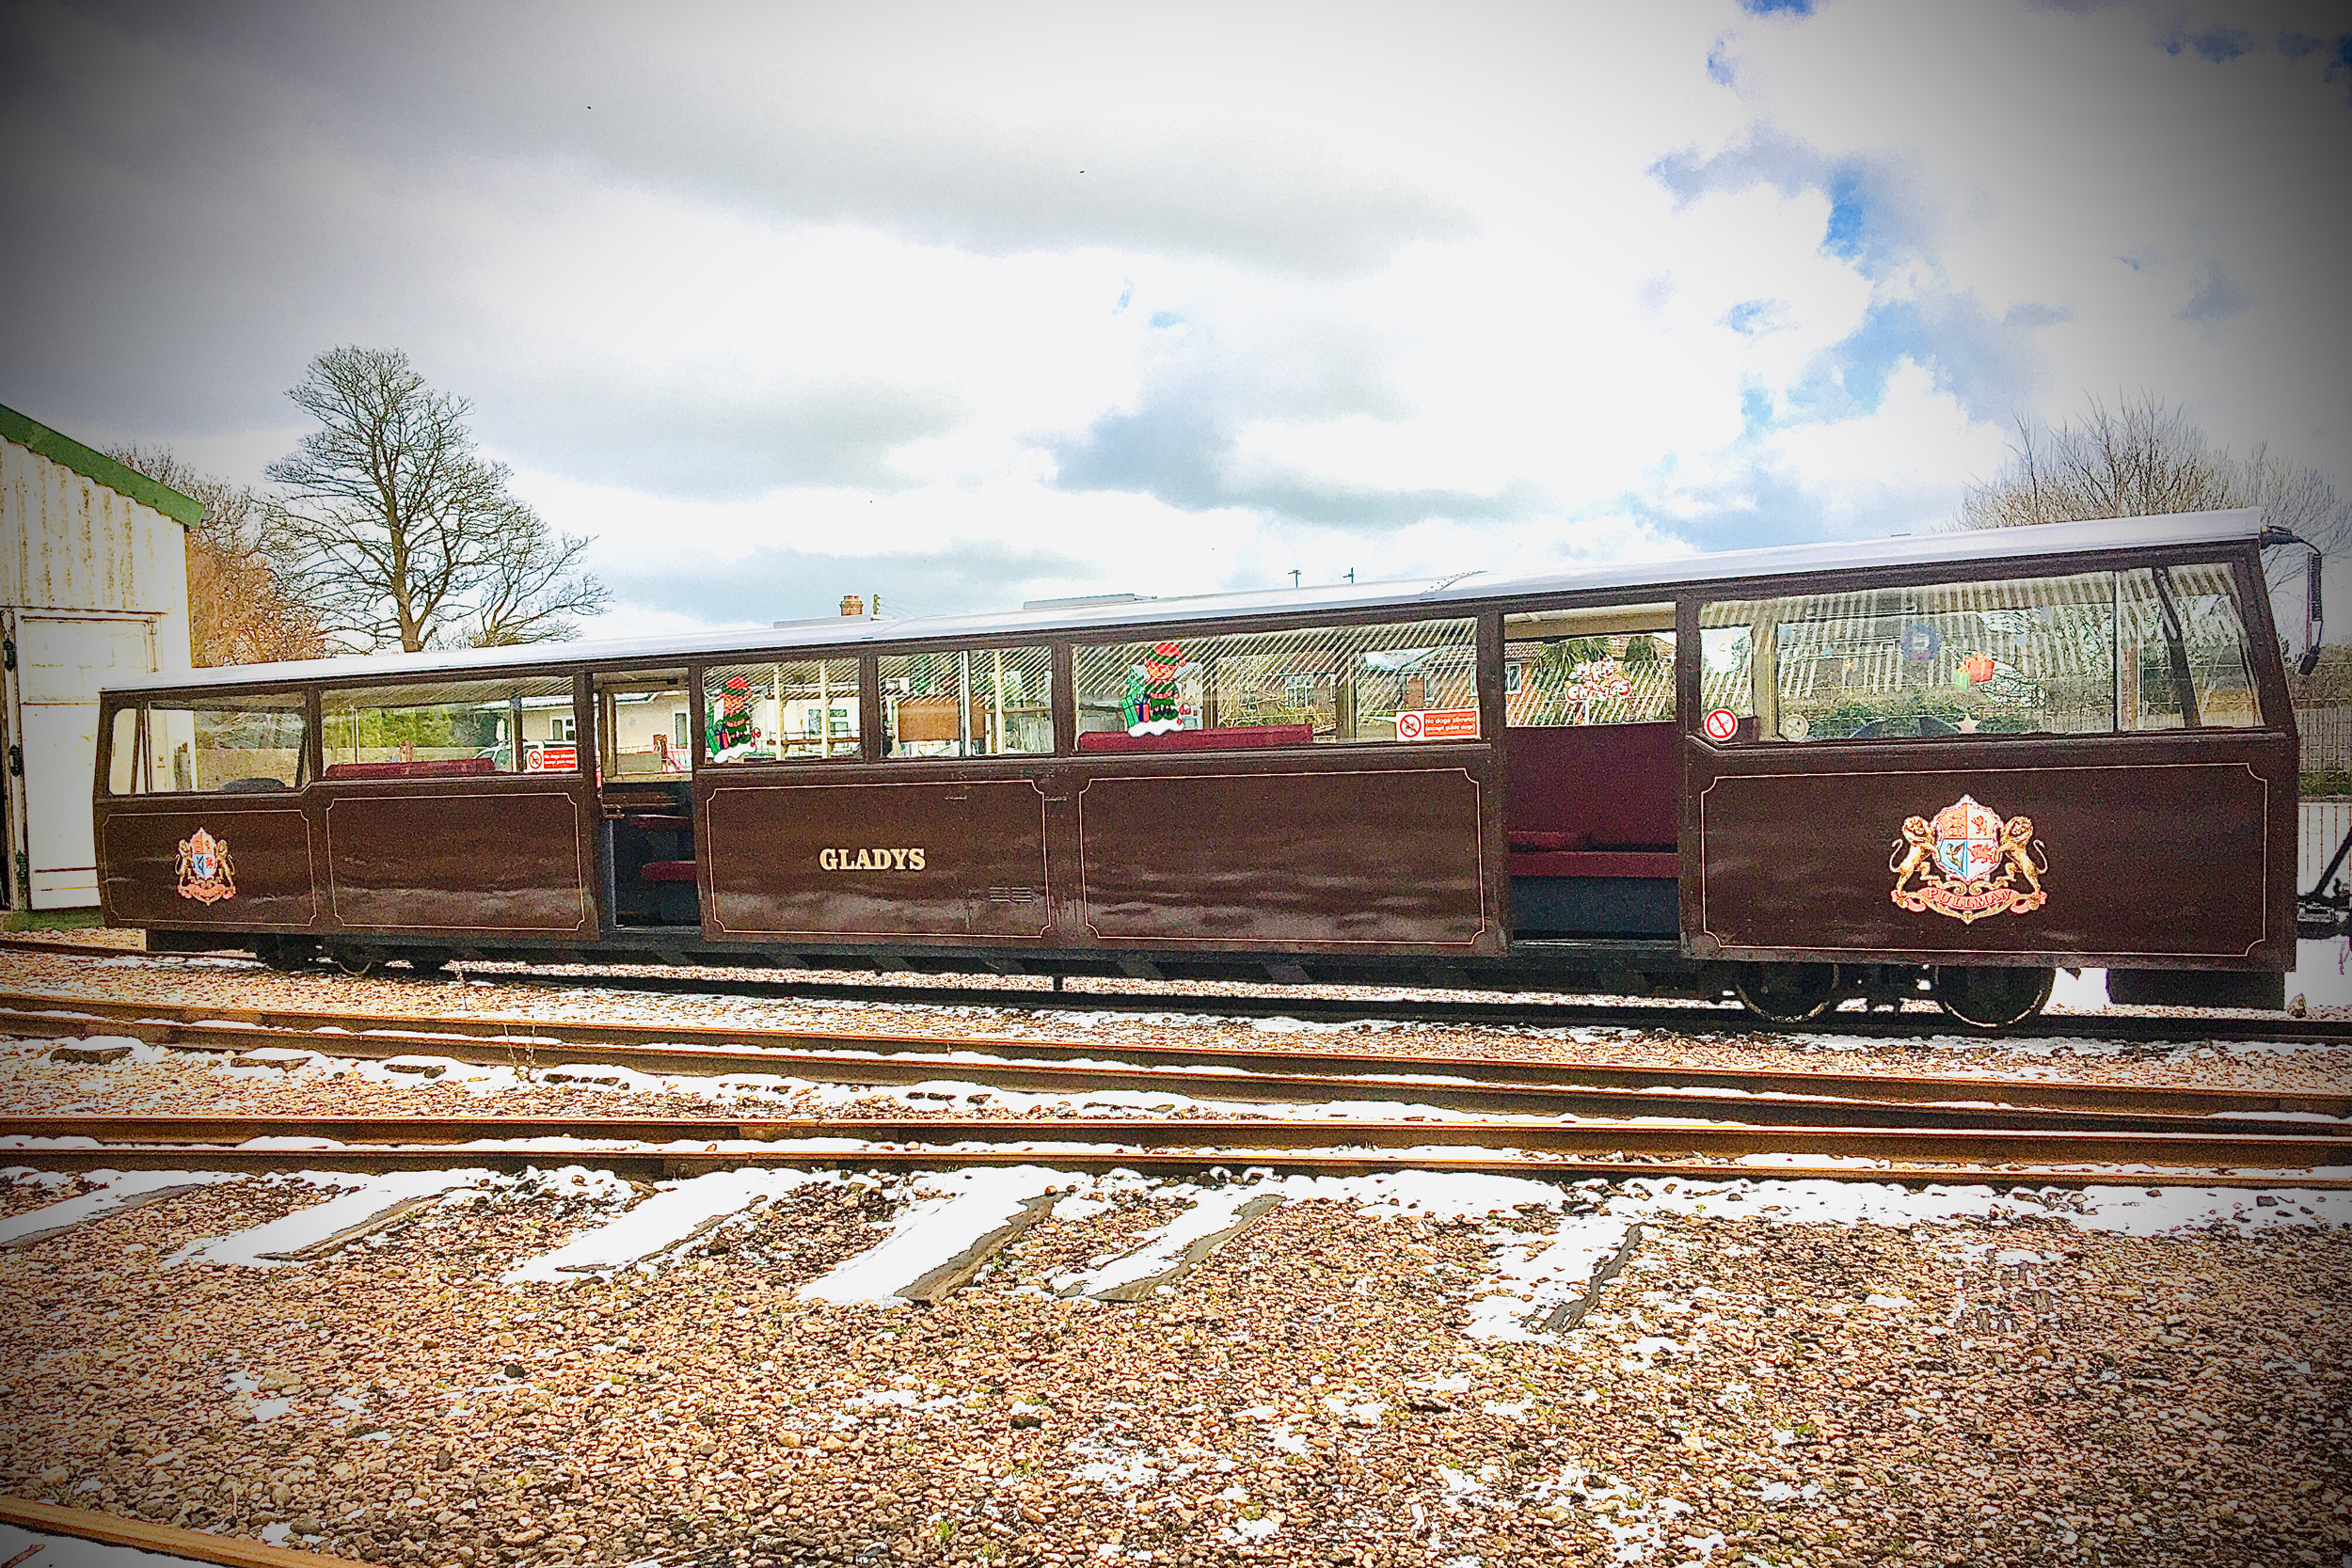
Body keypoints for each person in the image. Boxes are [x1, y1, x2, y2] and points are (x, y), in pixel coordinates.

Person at [707, 674, 759, 757]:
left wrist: (747, 719)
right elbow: (723, 718)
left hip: (740, 721)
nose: (733, 703)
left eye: (737, 700)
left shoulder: (740, 711)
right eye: (730, 700)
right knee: (732, 731)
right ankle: (733, 738)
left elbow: (744, 715)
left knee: (741, 728)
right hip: (730, 724)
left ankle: (742, 735)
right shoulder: (726, 713)